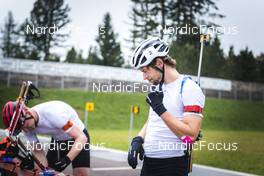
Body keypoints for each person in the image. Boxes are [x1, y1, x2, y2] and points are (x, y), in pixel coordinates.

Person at [127, 37, 205, 176]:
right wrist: (138, 139)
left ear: (159, 63)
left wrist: (160, 109)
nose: (144, 77)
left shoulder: (188, 88)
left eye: (146, 70)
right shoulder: (159, 87)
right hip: (149, 163)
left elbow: (190, 136)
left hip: (172, 165)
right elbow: (153, 119)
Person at [1, 100, 90, 176]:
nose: (25, 130)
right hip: (58, 140)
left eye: (25, 125)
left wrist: (67, 159)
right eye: (21, 128)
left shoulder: (55, 115)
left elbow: (81, 138)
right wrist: (43, 169)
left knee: (81, 173)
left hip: (78, 137)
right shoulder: (25, 125)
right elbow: (37, 151)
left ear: (28, 113)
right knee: (48, 172)